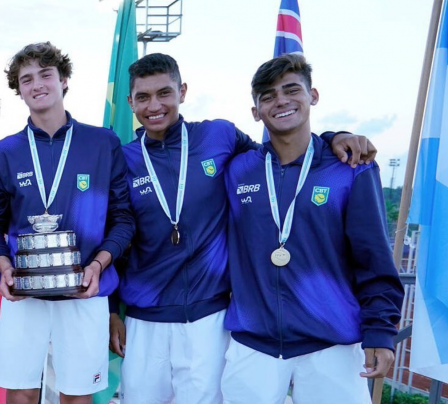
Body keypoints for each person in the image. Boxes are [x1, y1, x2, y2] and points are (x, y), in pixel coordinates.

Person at [109, 53, 379, 404]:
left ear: (182, 92)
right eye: (143, 97)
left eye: (164, 93)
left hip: (209, 316)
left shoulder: (218, 135)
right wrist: (112, 309)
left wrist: (332, 138)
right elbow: (116, 229)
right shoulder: (124, 158)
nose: (155, 105)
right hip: (145, 316)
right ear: (131, 102)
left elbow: (279, 155)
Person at [221, 54, 404, 404]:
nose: (281, 101)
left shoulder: (350, 169)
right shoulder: (238, 169)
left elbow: (373, 257)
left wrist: (380, 330)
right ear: (256, 112)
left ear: (313, 96)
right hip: (253, 343)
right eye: (268, 96)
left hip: (331, 343)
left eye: (292, 90)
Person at [0, 41, 135, 404]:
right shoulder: (5, 152)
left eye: (45, 74)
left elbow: (123, 219)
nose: (37, 85)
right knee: (20, 392)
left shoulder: (103, 143)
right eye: (27, 79)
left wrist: (98, 265)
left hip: (85, 287)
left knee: (77, 395)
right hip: (25, 291)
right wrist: (4, 267)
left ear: (64, 80)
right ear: (19, 90)